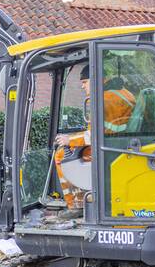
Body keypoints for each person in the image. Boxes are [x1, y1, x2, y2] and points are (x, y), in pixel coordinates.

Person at [52, 64, 136, 210]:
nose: (83, 87)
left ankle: (76, 205)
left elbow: (93, 136)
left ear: (97, 79)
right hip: (119, 143)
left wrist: (68, 140)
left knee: (61, 155)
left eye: (84, 82)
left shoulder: (102, 100)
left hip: (110, 149)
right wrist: (72, 138)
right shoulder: (124, 93)